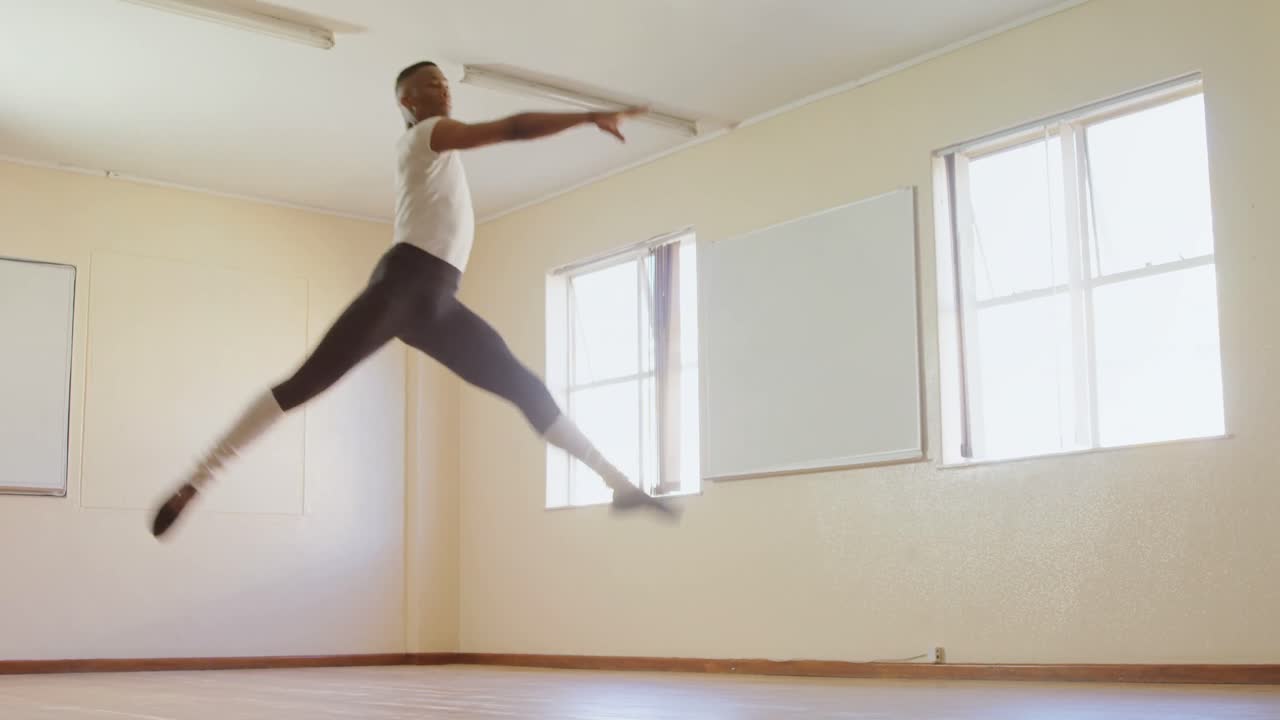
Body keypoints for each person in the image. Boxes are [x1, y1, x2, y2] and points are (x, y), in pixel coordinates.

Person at [151, 60, 677, 538]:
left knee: (524, 385)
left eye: (445, 84)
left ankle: (619, 484)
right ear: (408, 102)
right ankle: (196, 481)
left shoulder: (436, 151)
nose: (443, 91)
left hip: (440, 303)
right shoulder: (424, 137)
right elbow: (511, 129)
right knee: (304, 384)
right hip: (402, 285)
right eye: (429, 85)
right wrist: (587, 117)